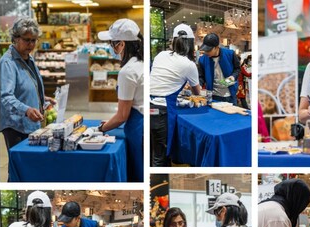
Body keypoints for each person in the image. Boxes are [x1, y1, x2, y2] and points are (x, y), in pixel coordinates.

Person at [0, 18, 56, 161]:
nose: (31, 44)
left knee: (29, 166)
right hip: (16, 126)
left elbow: (28, 85)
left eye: (34, 40)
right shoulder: (8, 63)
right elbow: (5, 97)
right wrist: (26, 110)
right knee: (18, 168)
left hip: (31, 125)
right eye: (27, 40)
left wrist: (42, 97)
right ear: (16, 38)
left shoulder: (29, 58)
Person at [97, 19, 144, 182]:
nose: (111, 47)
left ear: (122, 44)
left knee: (139, 172)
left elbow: (122, 116)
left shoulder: (127, 71)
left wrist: (101, 128)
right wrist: (112, 121)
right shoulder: (141, 64)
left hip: (138, 128)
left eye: (112, 43)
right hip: (143, 122)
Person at [150, 24, 201, 167]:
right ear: (191, 44)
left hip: (147, 106)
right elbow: (197, 92)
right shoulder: (189, 65)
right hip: (161, 111)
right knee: (160, 156)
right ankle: (160, 185)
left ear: (173, 40)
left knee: (152, 150)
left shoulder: (161, 55)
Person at [198, 33, 240, 105]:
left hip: (229, 94)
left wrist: (233, 76)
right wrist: (200, 84)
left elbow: (237, 69)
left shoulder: (230, 54)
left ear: (216, 47)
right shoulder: (202, 59)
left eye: (209, 50)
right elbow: (201, 76)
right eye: (205, 50)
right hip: (212, 95)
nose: (206, 52)